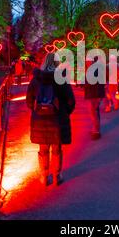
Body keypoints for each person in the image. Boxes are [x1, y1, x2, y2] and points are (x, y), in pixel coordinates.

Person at [27, 53, 76, 186]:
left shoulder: (36, 79)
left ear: (44, 62)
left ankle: (43, 176)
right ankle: (56, 176)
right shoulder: (61, 79)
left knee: (43, 149)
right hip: (57, 120)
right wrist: (64, 113)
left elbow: (29, 101)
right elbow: (71, 101)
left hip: (40, 120)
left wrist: (38, 112)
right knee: (56, 149)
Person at [84, 56, 106, 140]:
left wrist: (84, 84)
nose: (86, 63)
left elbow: (94, 83)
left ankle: (96, 131)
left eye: (87, 61)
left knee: (93, 113)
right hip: (94, 94)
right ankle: (96, 129)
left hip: (93, 95)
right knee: (95, 112)